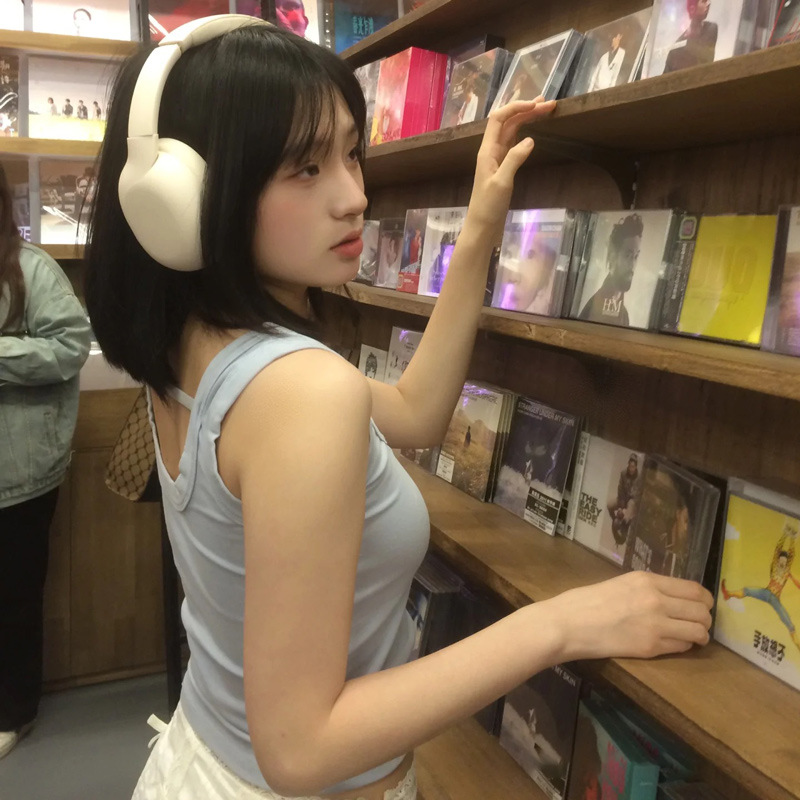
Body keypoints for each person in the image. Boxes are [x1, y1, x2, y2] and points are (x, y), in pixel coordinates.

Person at [84, 16, 714, 800]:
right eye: (305, 168)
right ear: (190, 198)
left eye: (352, 153)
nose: (354, 196)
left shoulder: (193, 345)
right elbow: (302, 749)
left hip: (198, 761)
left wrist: (480, 223)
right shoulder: (297, 389)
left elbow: (415, 412)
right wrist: (562, 624)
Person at [0, 164, 91, 759]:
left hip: (19, 476)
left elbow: (70, 345)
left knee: (13, 598)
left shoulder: (31, 268)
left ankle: (14, 712)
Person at [722, 522, 800, 653]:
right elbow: (777, 550)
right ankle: (728, 594)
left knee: (788, 621)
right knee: (748, 590)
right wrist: (784, 535)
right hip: (766, 592)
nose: (782, 561)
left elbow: (791, 555)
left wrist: (792, 539)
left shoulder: (787, 571)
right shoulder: (775, 565)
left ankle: (798, 644)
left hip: (775, 599)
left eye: (784, 560)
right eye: (781, 559)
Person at [579, 213, 644, 326]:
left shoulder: (624, 315)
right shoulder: (594, 308)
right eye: (627, 255)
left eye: (636, 256)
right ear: (613, 256)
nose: (632, 264)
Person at [663, 0, 718, 74]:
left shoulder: (711, 28)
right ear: (692, 8)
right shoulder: (676, 49)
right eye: (703, 1)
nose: (708, 4)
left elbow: (705, 59)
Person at [607, 453, 640, 546]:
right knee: (609, 505)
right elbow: (620, 489)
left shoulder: (639, 478)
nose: (631, 469)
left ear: (636, 467)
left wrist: (625, 510)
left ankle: (624, 526)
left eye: (633, 467)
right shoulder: (623, 473)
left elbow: (636, 495)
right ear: (628, 465)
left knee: (630, 507)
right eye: (630, 466)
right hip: (622, 499)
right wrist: (621, 508)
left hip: (631, 501)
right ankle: (615, 520)